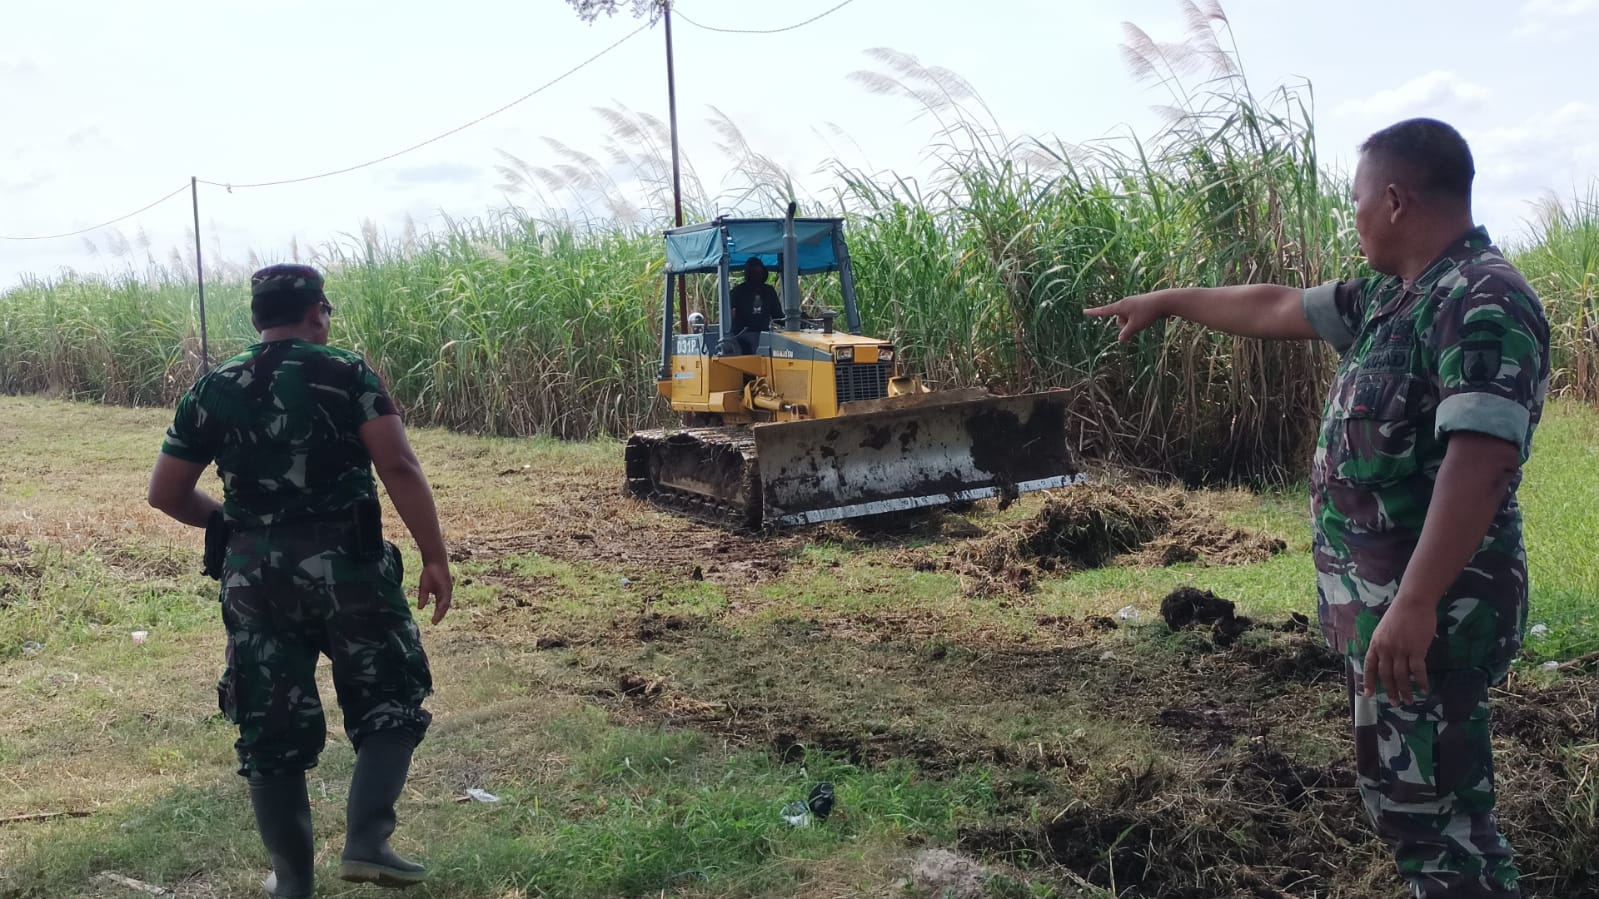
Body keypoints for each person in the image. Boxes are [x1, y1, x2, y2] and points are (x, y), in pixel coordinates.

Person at [1086, 118, 1549, 898]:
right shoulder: (1391, 298)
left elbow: (1483, 462)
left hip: (1431, 623)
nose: (1354, 215)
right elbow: (1273, 307)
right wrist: (1166, 301)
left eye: (1359, 200)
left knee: (1442, 833)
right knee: (1412, 814)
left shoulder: (1480, 299)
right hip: (1390, 622)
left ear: (1396, 200)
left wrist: (1414, 601)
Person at [146, 263, 453, 897]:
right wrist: (434, 555)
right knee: (389, 696)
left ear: (259, 318)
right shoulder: (346, 372)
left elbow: (166, 493)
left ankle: (291, 884)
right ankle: (368, 840)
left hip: (255, 577)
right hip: (351, 567)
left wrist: (237, 528)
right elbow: (395, 462)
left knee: (271, 725)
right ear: (317, 310)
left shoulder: (214, 388)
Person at [729, 257, 784, 338]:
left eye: (759, 273)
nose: (757, 276)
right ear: (748, 274)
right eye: (753, 273)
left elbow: (777, 315)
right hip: (742, 336)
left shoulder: (769, 291)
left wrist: (794, 321)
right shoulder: (737, 292)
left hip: (764, 335)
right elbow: (730, 316)